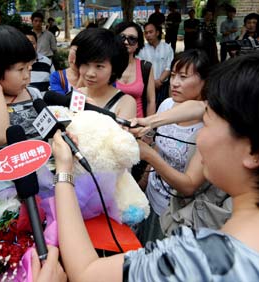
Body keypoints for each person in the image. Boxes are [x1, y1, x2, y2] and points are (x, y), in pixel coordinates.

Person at [50, 52, 259, 282]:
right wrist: (150, 122)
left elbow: (87, 273)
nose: (199, 139)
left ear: (253, 152)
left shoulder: (196, 261)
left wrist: (64, 172)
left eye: (207, 124)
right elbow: (200, 107)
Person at [134, 50, 216, 244]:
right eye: (172, 75)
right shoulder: (166, 105)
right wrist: (144, 181)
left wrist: (148, 156)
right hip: (153, 198)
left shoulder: (211, 125)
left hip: (179, 212)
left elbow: (188, 186)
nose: (174, 83)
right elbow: (157, 147)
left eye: (183, 77)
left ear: (205, 81)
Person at [75, 28, 136, 120]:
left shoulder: (126, 102)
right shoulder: (77, 94)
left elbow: (119, 134)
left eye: (99, 66)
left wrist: (97, 113)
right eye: (85, 64)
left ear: (114, 69)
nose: (90, 73)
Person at [115, 22, 156, 117]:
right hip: (111, 126)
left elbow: (151, 101)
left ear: (138, 44)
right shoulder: (107, 65)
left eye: (132, 39)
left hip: (137, 126)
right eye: (122, 37)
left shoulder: (145, 67)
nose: (126, 42)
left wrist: (147, 126)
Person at [138, 22, 174, 109]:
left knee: (163, 109)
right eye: (146, 33)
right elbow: (140, 67)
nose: (148, 35)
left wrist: (159, 81)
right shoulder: (141, 49)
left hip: (163, 86)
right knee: (148, 107)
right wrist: (152, 82)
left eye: (151, 32)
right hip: (146, 86)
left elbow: (169, 67)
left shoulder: (167, 48)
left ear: (157, 33)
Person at [49, 29, 90, 95]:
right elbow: (63, 103)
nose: (74, 61)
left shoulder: (99, 78)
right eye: (73, 52)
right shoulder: (57, 77)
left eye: (80, 56)